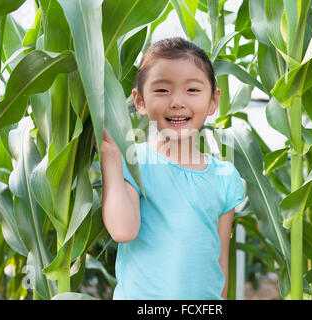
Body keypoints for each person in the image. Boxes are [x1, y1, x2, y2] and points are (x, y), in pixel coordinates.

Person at [100, 37, 245, 300]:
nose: (177, 102)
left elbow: (220, 261)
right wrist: (110, 154)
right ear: (140, 101)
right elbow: (123, 230)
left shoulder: (225, 177)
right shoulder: (134, 162)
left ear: (213, 101)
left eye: (192, 90)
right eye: (162, 90)